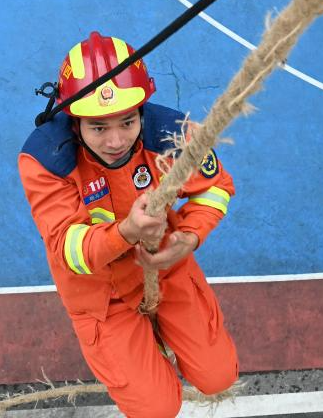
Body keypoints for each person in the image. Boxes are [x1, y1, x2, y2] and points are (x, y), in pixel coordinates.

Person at [19, 31, 237, 418]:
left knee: (219, 378)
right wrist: (128, 232)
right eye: (99, 127)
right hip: (101, 296)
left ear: (142, 109)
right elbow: (70, 253)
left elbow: (215, 188)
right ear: (74, 119)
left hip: (167, 268)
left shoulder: (172, 134)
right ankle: (139, 360)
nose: (116, 140)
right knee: (158, 409)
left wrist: (189, 237)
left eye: (127, 121)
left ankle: (154, 347)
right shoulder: (45, 161)